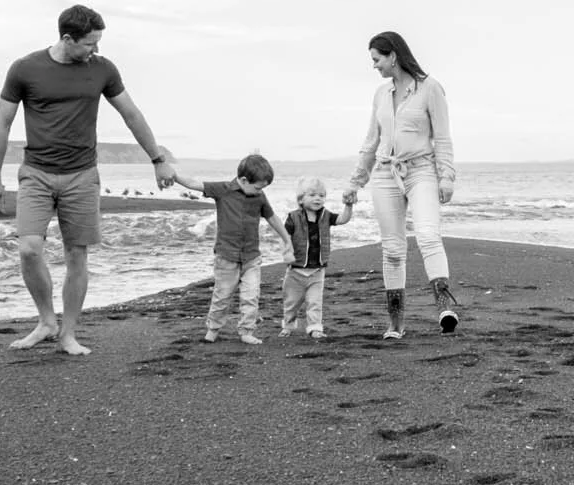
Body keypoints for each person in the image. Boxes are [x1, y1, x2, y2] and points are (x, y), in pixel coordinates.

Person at [0, 4, 177, 357]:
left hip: (82, 175)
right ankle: (46, 321)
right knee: (29, 249)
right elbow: (2, 124)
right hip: (36, 173)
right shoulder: (25, 69)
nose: (96, 50)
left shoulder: (103, 70)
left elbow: (131, 114)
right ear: (67, 39)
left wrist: (158, 159)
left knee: (77, 254)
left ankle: (68, 333)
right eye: (90, 43)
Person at [344, 30, 457, 339]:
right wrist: (356, 181)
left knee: (427, 235)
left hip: (421, 170)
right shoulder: (381, 94)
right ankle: (396, 322)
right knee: (393, 249)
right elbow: (371, 141)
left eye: (376, 59)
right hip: (384, 172)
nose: (374, 66)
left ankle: (444, 307)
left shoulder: (430, 89)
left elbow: (443, 137)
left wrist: (446, 176)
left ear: (393, 55)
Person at [194, 153, 290, 345]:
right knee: (222, 296)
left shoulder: (259, 197)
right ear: (244, 180)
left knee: (251, 296)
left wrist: (286, 238)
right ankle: (213, 328)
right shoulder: (223, 190)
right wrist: (171, 174)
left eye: (262, 188)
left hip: (251, 257)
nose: (260, 191)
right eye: (258, 187)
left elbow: (272, 218)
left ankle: (246, 331)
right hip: (226, 257)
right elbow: (196, 184)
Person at [280, 176, 360, 340]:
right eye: (312, 195)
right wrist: (286, 252)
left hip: (317, 271)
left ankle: (315, 328)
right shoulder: (293, 217)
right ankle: (288, 325)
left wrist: (349, 205)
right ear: (301, 199)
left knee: (315, 302)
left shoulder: (326, 216)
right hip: (295, 272)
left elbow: (343, 219)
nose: (318, 198)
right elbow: (285, 236)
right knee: (291, 304)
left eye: (321, 195)